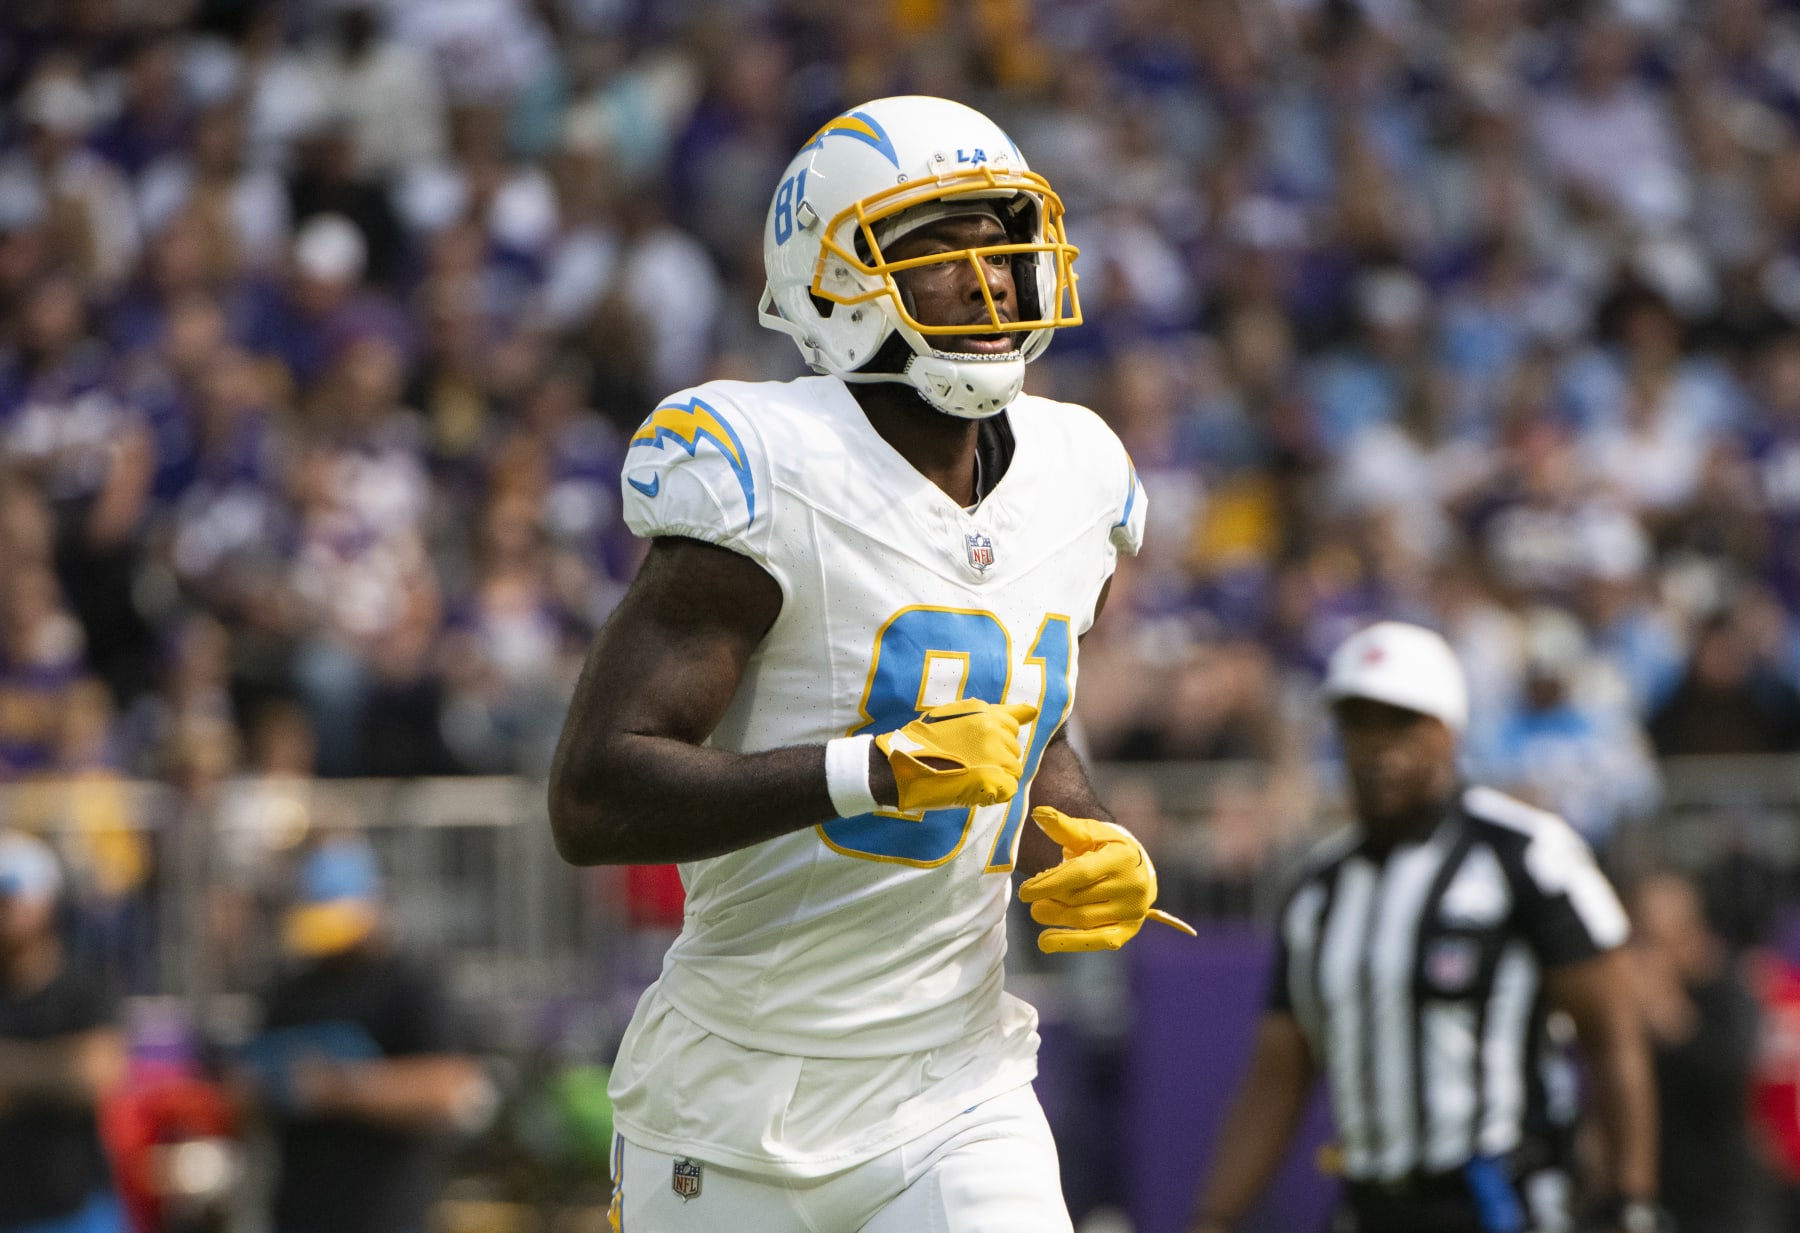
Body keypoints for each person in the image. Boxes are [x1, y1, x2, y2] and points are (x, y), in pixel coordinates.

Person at [547, 94, 1192, 1233]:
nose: (989, 280)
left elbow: (1017, 715)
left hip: (959, 1084)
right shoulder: (772, 466)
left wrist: (1086, 831)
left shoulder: (1077, 470)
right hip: (735, 1099)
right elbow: (594, 796)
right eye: (938, 250)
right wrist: (870, 772)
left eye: (1000, 242)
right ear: (833, 282)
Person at [1186, 621, 1661, 1233]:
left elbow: (1612, 1037)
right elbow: (1279, 1073)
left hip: (1502, 1201)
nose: (1378, 744)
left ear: (1447, 731)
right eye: (1359, 721)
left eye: (1401, 721)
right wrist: (1214, 1218)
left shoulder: (1525, 855)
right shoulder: (1317, 890)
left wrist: (1629, 1197)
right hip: (1370, 1204)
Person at [247, 835, 493, 1233]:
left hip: (384, 1216)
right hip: (299, 1215)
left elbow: (452, 1090)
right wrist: (260, 1088)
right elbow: (248, 1087)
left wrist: (340, 1089)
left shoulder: (409, 986)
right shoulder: (290, 991)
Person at [0, 830, 129, 1233]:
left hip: (75, 1211)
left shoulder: (85, 986)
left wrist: (12, 1070)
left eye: (11, 893)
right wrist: (55, 1070)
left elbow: (98, 1074)